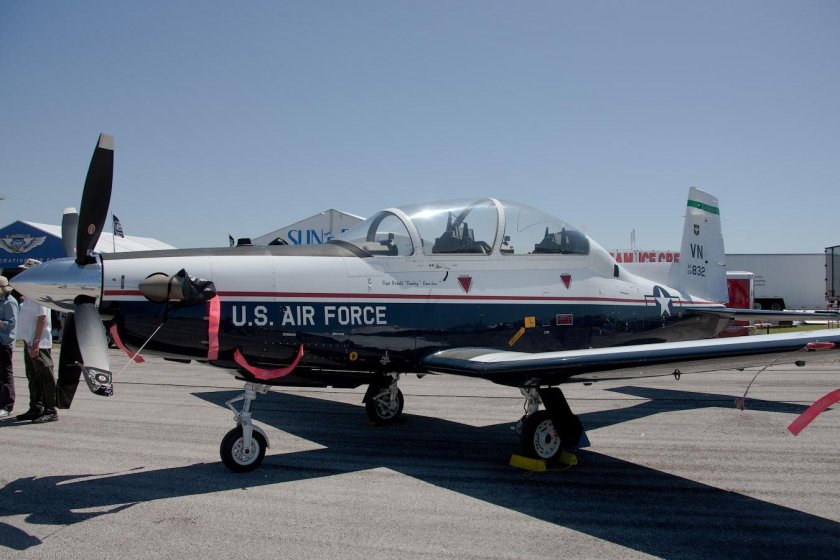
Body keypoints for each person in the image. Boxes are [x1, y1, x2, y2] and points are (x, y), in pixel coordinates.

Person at [16, 262, 58, 423]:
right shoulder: (29, 292)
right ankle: (36, 407)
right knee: (33, 377)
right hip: (30, 342)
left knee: (45, 376)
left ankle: (50, 410)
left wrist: (36, 343)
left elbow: (42, 319)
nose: (22, 273)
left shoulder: (38, 291)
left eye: (25, 271)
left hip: (39, 344)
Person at [0, 275, 18, 418]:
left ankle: (8, 405)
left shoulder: (10, 302)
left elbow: (11, 323)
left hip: (5, 342)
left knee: (6, 374)